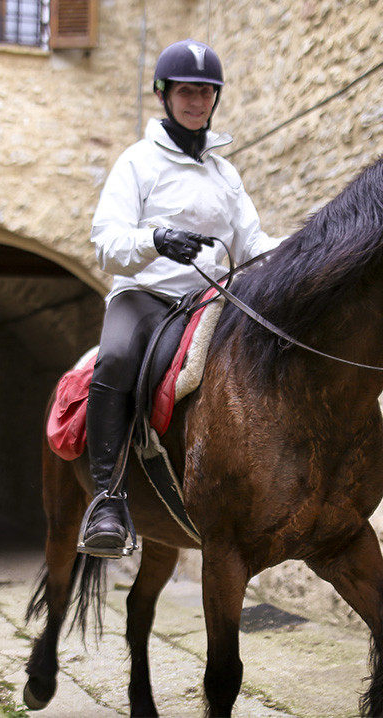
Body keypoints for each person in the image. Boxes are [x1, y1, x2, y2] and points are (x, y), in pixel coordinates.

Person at [81, 39, 282, 557]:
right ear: (164, 95)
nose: (196, 102)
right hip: (146, 295)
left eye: (206, 93)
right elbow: (106, 244)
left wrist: (309, 247)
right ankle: (107, 498)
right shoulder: (137, 162)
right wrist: (155, 240)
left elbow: (253, 245)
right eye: (186, 92)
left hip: (210, 297)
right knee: (118, 359)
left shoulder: (224, 173)